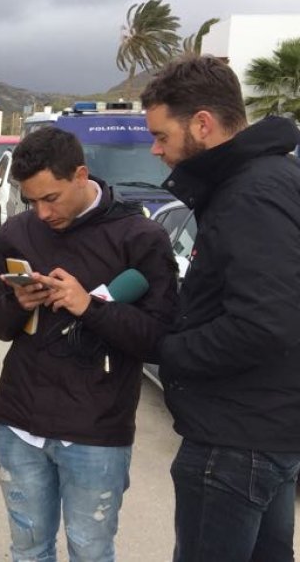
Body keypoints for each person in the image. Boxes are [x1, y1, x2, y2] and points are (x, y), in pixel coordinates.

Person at [0, 127, 178, 562]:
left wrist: (89, 307)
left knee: (90, 551)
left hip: (97, 430)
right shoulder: (16, 232)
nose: (43, 213)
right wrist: (17, 303)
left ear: (81, 174)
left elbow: (159, 341)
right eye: (32, 201)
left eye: (51, 198)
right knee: (28, 551)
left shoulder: (140, 237)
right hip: (19, 422)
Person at [142, 55, 300, 562]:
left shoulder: (249, 194)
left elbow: (263, 322)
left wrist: (171, 351)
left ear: (203, 124)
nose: (156, 149)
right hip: (269, 429)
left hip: (235, 441)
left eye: (163, 136)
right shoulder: (275, 178)